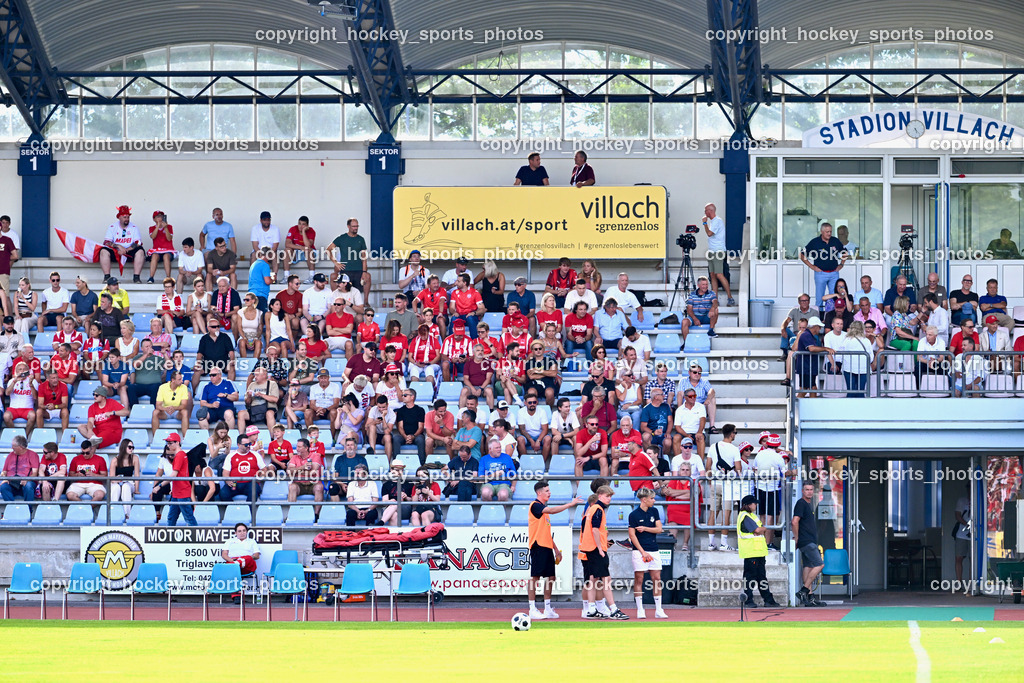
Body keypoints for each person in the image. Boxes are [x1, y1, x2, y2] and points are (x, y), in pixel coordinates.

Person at [526, 480, 582, 621]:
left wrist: (556, 549)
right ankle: (532, 608)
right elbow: (551, 510)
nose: (549, 493)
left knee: (551, 577)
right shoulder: (536, 506)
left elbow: (546, 533)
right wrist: (570, 504)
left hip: (546, 546)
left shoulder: (544, 510)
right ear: (539, 493)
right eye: (547, 491)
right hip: (537, 546)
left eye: (549, 490)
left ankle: (547, 607)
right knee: (535, 577)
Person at [579, 486, 629, 620]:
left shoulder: (592, 510)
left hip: (589, 548)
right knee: (606, 579)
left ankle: (591, 609)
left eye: (610, 496)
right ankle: (613, 609)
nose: (609, 499)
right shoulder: (598, 509)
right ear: (599, 495)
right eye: (607, 496)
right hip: (595, 549)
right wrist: (600, 548)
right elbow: (595, 530)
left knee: (593, 579)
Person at [628, 487, 669, 619]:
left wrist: (645, 528)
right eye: (651, 498)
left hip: (654, 549)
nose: (654, 500)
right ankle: (640, 609)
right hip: (639, 551)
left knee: (657, 579)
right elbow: (632, 536)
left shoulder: (654, 511)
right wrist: (643, 552)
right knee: (639, 578)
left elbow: (659, 529)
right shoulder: (633, 515)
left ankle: (659, 609)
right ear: (644, 500)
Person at [737, 494, 781, 608]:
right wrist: (763, 529)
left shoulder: (750, 516)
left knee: (761, 577)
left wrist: (761, 530)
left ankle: (768, 599)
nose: (756, 505)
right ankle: (748, 600)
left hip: (757, 552)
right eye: (754, 503)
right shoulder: (745, 516)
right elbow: (757, 529)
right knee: (750, 578)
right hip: (751, 552)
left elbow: (758, 531)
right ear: (748, 505)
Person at [705, 424, 741, 551]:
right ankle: (723, 543)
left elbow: (708, 466)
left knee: (713, 513)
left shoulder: (713, 447)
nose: (735, 435)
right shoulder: (734, 449)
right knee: (726, 514)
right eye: (735, 433)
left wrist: (710, 480)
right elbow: (738, 469)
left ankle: (711, 543)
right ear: (731, 434)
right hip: (728, 484)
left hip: (715, 483)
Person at [799, 222, 847, 310]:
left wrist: (841, 264)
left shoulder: (835, 241)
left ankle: (833, 318)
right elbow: (802, 254)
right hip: (820, 274)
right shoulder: (815, 242)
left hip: (834, 274)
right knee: (819, 298)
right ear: (821, 231)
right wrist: (812, 266)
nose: (829, 234)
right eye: (827, 232)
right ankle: (819, 319)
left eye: (830, 232)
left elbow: (845, 252)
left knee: (835, 297)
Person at [753, 434, 788, 550]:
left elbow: (755, 468)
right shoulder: (778, 457)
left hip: (759, 487)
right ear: (777, 445)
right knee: (770, 517)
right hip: (771, 489)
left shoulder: (760, 454)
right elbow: (785, 472)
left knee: (762, 515)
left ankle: (762, 542)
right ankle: (768, 543)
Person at [792, 482, 825, 607]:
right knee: (820, 564)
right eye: (807, 489)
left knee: (808, 566)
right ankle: (804, 590)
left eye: (811, 489)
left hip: (808, 540)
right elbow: (794, 522)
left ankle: (809, 597)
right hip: (806, 541)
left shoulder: (808, 504)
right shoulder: (801, 503)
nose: (809, 492)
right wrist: (797, 538)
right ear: (802, 491)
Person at [220, 433, 271, 502]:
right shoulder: (231, 455)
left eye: (249, 444)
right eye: (246, 445)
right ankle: (233, 510)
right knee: (223, 493)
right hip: (235, 483)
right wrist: (227, 480)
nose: (248, 446)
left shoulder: (255, 454)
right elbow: (225, 472)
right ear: (238, 445)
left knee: (253, 491)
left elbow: (264, 469)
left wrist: (260, 476)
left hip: (251, 483)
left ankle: (249, 512)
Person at [101, 205, 146, 284]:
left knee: (140, 251)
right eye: (124, 217)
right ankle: (107, 277)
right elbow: (106, 242)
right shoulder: (112, 227)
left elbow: (138, 242)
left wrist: (126, 250)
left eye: (128, 217)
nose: (127, 219)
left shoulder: (134, 227)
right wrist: (118, 246)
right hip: (116, 252)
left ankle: (136, 277)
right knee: (103, 251)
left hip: (129, 251)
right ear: (119, 217)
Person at [702, 203, 734, 305]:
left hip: (718, 251)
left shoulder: (717, 221)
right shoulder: (713, 222)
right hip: (712, 251)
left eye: (706, 210)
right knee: (712, 275)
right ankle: (715, 299)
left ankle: (730, 297)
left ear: (710, 211)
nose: (704, 212)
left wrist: (704, 224)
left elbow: (709, 233)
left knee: (719, 274)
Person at [664, 461, 700, 549]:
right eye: (683, 469)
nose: (685, 471)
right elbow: (670, 493)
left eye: (687, 470)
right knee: (672, 512)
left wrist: (677, 495)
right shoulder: (674, 481)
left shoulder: (695, 481)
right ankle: (673, 542)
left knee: (690, 516)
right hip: (675, 506)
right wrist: (687, 492)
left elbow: (693, 494)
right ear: (679, 471)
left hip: (689, 507)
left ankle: (685, 543)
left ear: (691, 472)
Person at [329, 217, 371, 293]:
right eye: (354, 226)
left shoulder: (361, 239)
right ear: (348, 226)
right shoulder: (341, 238)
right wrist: (336, 263)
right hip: (345, 270)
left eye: (357, 226)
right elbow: (328, 250)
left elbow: (364, 257)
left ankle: (366, 302)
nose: (356, 228)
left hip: (358, 270)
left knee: (363, 283)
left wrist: (364, 272)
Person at [221, 523, 261, 591]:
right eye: (239, 531)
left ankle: (237, 563)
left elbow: (257, 555)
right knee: (233, 570)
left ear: (246, 532)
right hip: (233, 563)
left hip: (247, 566)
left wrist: (243, 559)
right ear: (235, 533)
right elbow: (224, 554)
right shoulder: (229, 541)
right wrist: (232, 561)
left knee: (248, 558)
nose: (242, 533)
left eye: (244, 531)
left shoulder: (252, 542)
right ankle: (236, 596)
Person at [0, 435, 40, 502]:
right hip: (12, 482)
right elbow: (4, 471)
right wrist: (5, 478)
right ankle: (11, 508)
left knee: (29, 486)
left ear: (21, 447)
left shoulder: (33, 455)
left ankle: (28, 510)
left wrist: (27, 480)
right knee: (3, 486)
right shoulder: (10, 455)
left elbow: (35, 473)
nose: (12, 448)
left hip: (26, 482)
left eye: (14, 446)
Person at [477, 438, 517, 502]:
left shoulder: (507, 457)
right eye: (496, 448)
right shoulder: (484, 459)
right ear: (490, 449)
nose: (499, 450)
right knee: (485, 493)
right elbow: (480, 478)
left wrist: (513, 486)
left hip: (504, 483)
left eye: (500, 447)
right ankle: (490, 510)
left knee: (503, 495)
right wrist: (494, 475)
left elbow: (514, 474)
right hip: (489, 483)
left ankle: (501, 511)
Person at [393, 387, 427, 463]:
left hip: (416, 435)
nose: (403, 397)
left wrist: (413, 436)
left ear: (412, 397)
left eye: (405, 395)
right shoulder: (401, 410)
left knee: (420, 439)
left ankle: (422, 464)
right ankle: (396, 463)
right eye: (402, 395)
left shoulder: (420, 410)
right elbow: (400, 427)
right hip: (404, 436)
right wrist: (406, 437)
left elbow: (420, 427)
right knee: (396, 439)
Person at [284, 216, 317, 284]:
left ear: (307, 225)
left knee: (308, 250)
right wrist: (301, 248)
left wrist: (304, 232)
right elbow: (287, 244)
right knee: (287, 250)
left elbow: (308, 245)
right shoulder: (293, 229)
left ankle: (311, 277)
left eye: (303, 224)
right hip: (296, 252)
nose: (300, 226)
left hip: (308, 253)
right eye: (299, 223)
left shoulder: (311, 231)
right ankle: (286, 276)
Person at [146, 210, 176, 283]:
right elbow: (153, 236)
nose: (160, 218)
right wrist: (158, 227)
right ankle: (151, 277)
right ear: (154, 219)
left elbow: (169, 238)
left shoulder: (169, 227)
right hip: (157, 250)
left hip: (168, 250)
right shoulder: (151, 228)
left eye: (161, 216)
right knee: (154, 256)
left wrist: (165, 228)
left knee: (166, 256)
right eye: (158, 216)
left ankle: (168, 278)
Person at [247, 248, 274, 313]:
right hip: (260, 295)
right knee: (262, 318)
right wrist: (273, 279)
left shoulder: (253, 264)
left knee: (253, 318)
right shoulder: (265, 265)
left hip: (251, 294)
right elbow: (267, 281)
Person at [954, 492, 972, 582]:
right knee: (959, 557)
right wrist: (967, 525)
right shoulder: (962, 501)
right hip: (962, 533)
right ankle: (958, 582)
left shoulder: (979, 500)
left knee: (972, 559)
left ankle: (971, 583)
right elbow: (957, 515)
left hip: (975, 533)